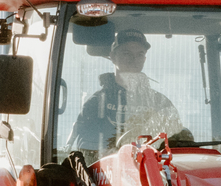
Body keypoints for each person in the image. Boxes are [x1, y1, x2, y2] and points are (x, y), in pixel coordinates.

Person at [68, 28, 190, 160]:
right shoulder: (96, 103)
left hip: (152, 169)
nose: (134, 59)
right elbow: (86, 153)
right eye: (126, 53)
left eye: (140, 54)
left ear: (144, 59)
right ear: (113, 57)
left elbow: (176, 144)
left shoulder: (160, 103)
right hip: (108, 171)